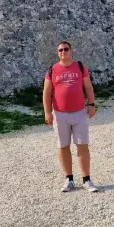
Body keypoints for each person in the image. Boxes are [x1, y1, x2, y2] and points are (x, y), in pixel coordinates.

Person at [43, 40, 98, 192]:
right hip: (60, 114)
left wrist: (91, 104)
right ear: (57, 53)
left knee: (82, 145)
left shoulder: (80, 67)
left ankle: (87, 179)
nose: (63, 52)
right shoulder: (52, 70)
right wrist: (47, 112)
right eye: (60, 50)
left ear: (71, 51)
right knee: (63, 146)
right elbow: (47, 93)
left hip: (79, 112)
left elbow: (88, 87)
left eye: (66, 49)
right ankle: (69, 179)